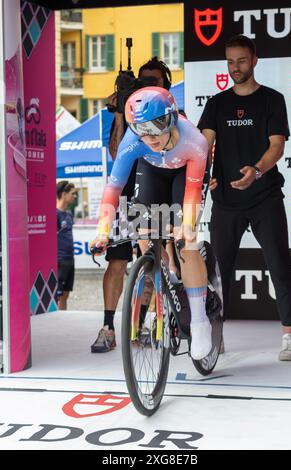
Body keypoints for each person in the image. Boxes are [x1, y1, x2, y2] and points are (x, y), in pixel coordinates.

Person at [198, 34, 291, 361]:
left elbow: (277, 146)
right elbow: (203, 146)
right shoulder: (217, 103)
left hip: (264, 196)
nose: (235, 68)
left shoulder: (272, 99)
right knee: (217, 273)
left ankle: (289, 337)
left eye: (241, 60)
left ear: (254, 60)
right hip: (226, 200)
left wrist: (256, 170)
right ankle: (215, 336)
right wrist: (204, 175)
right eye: (230, 62)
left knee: (279, 265)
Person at [90, 86, 211, 360]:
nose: (150, 136)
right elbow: (113, 188)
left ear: (172, 119)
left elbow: (191, 194)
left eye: (157, 126)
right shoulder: (134, 141)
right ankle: (163, 271)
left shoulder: (195, 142)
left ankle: (200, 320)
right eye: (141, 129)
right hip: (154, 170)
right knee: (143, 229)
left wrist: (185, 226)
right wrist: (102, 232)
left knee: (187, 241)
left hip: (185, 170)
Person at [90, 57, 174, 353]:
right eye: (144, 81)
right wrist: (119, 111)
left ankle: (140, 326)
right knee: (117, 258)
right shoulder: (129, 111)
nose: (149, 86)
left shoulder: (172, 113)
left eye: (155, 81)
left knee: (151, 259)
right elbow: (116, 152)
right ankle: (108, 326)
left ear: (166, 85)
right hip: (124, 193)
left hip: (153, 194)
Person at [56, 180, 77, 310]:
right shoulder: (54, 214)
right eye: (73, 193)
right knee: (57, 295)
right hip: (59, 259)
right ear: (64, 194)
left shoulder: (69, 214)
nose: (75, 197)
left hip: (70, 258)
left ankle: (62, 318)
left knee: (66, 295)